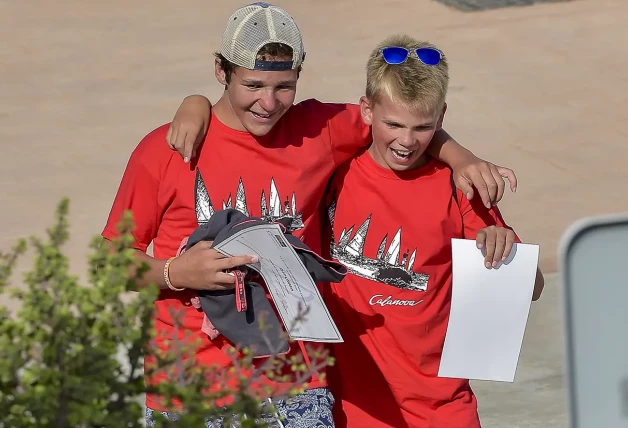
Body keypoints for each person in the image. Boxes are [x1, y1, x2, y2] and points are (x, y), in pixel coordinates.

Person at [103, 3, 517, 427]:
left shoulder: (320, 130)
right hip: (189, 385)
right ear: (220, 70)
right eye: (253, 84)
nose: (268, 102)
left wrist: (462, 158)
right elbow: (108, 262)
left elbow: (404, 118)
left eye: (284, 86)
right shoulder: (168, 149)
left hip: (297, 386)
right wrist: (175, 273)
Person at [318, 35, 545, 427]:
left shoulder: (459, 186)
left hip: (443, 407)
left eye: (423, 127)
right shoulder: (333, 174)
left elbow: (535, 287)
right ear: (366, 111)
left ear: (441, 118)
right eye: (394, 124)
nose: (407, 142)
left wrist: (505, 251)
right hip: (354, 407)